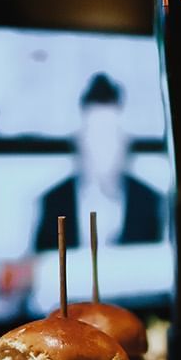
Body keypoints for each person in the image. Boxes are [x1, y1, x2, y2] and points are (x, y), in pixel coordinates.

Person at [32, 74, 162, 252]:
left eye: (110, 136)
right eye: (95, 136)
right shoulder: (54, 202)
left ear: (125, 142)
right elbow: (43, 271)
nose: (103, 150)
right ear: (79, 141)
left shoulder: (148, 201)